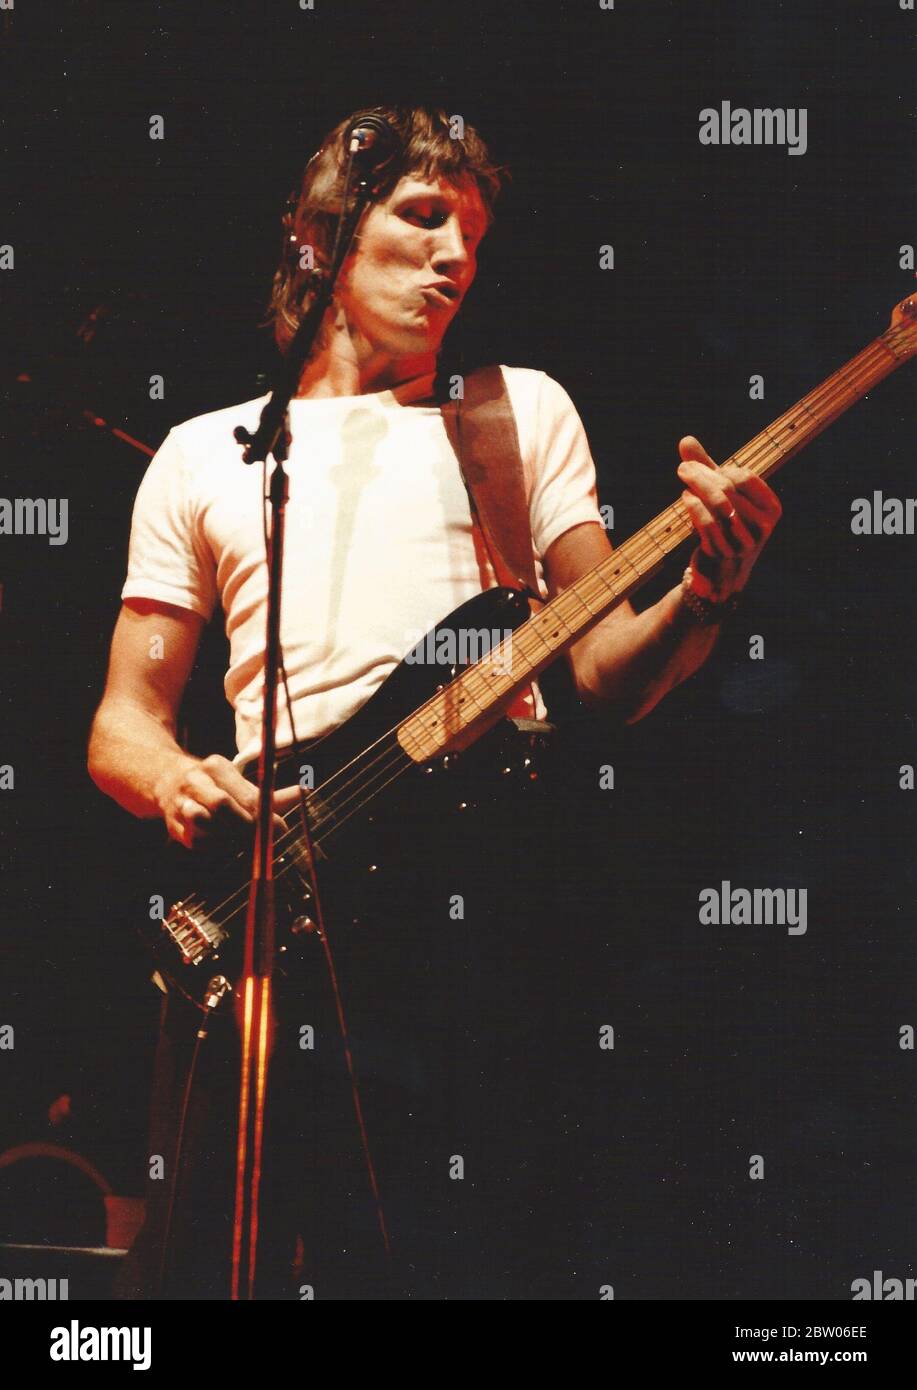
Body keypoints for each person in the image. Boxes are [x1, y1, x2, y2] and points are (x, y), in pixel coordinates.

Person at [87, 104, 782, 1299]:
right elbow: (121, 724)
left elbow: (600, 669)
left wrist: (702, 600)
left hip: (476, 910)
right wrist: (175, 775)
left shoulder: (515, 415)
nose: (456, 255)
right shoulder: (208, 455)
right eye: (421, 219)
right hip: (281, 896)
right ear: (325, 237)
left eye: (472, 231)